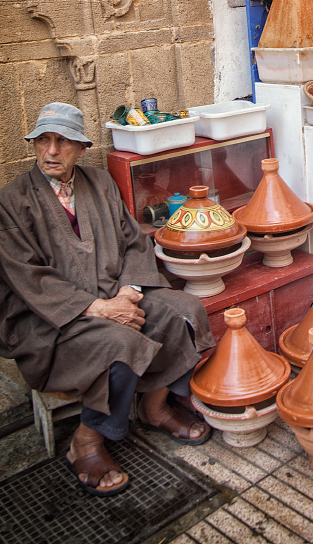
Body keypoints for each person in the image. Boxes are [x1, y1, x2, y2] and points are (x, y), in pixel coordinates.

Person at [0, 102, 215, 496]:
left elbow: (134, 242)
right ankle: (85, 442)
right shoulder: (12, 201)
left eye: (63, 142)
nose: (51, 151)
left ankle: (154, 407)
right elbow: (26, 276)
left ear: (82, 148)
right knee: (120, 343)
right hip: (52, 320)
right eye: (43, 141)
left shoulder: (99, 183)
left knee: (185, 311)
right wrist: (97, 308)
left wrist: (129, 291)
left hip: (116, 293)